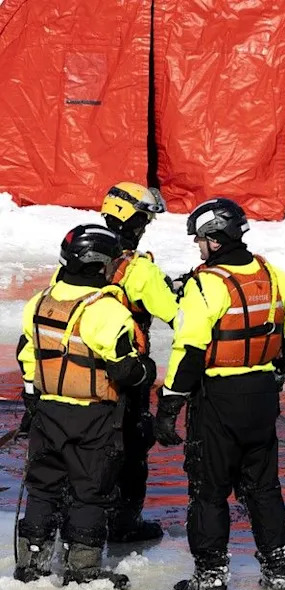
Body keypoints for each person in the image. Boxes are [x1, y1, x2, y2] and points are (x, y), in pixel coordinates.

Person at [153, 198, 285, 590]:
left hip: (219, 398)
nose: (198, 248)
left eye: (200, 240)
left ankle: (211, 573)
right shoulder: (273, 275)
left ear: (215, 240)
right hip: (262, 396)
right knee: (263, 486)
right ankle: (279, 568)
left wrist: (169, 405)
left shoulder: (208, 284)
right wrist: (274, 375)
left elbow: (190, 349)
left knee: (208, 487)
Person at [14, 224, 157, 588]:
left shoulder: (40, 301)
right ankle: (83, 567)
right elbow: (126, 369)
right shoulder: (107, 310)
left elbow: (27, 355)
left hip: (47, 411)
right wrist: (147, 371)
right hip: (93, 417)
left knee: (44, 486)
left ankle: (33, 561)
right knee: (90, 491)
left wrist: (33, 400)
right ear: (98, 265)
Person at [98, 182, 180, 542]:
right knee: (132, 446)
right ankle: (123, 524)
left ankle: (78, 521)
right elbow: (175, 314)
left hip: (82, 371)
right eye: (144, 218)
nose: (146, 226)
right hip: (129, 371)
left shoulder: (81, 253)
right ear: (130, 218)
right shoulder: (140, 270)